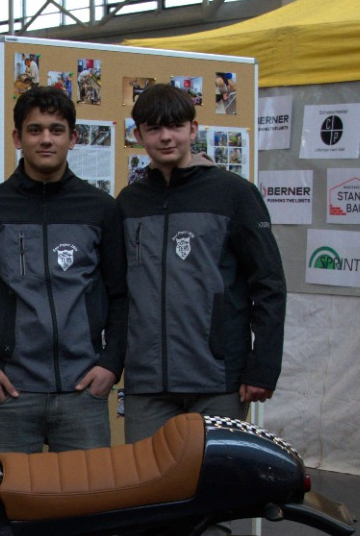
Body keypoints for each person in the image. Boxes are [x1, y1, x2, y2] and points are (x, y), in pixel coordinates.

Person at [0, 85, 126, 458]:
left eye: (56, 130)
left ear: (73, 138)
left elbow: (120, 296)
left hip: (83, 392)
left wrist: (111, 364)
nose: (46, 139)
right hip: (11, 393)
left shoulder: (100, 209)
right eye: (35, 130)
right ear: (18, 138)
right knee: (13, 494)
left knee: (87, 493)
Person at [117, 82, 286, 443]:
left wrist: (263, 367)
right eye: (154, 129)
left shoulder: (234, 193)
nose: (166, 137)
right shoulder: (129, 202)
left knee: (216, 476)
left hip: (217, 379)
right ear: (138, 135)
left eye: (175, 126)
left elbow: (268, 283)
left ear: (193, 130)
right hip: (148, 381)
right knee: (147, 477)